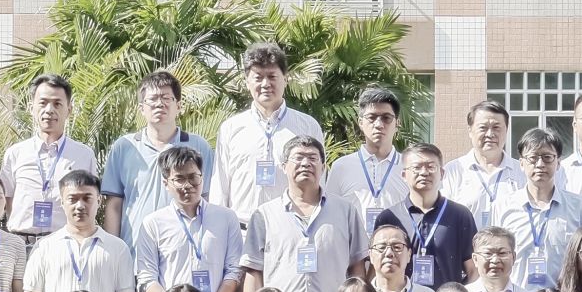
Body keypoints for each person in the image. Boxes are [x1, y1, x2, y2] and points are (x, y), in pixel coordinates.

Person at [243, 135, 367, 292]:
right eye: (298, 157)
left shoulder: (346, 212)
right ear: (284, 166)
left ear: (324, 167)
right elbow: (254, 273)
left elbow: (357, 268)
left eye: (313, 158)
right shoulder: (264, 215)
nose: (305, 163)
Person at [206, 42, 327, 226]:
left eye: (272, 76)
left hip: (290, 228)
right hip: (242, 230)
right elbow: (220, 185)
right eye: (258, 77)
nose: (265, 84)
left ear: (285, 79)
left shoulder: (307, 126)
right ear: (247, 81)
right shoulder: (231, 128)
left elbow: (320, 181)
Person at [134, 145, 244, 292]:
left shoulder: (226, 218)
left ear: (202, 177)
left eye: (193, 177)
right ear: (166, 183)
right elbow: (146, 278)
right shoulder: (153, 223)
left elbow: (233, 272)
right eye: (179, 179)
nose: (188, 185)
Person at [21, 169, 137, 292]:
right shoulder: (44, 247)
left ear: (99, 200)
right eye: (73, 199)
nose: (80, 205)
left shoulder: (117, 248)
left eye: (87, 198)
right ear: (62, 202)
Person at [101, 70, 208, 243]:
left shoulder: (199, 146)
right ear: (141, 108)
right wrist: (113, 249)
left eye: (166, 98)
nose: (160, 104)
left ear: (179, 106)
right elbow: (114, 204)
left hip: (185, 248)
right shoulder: (124, 147)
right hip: (134, 249)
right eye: (152, 99)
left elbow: (207, 199)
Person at [1, 74, 98, 240]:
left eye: (57, 104)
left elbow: (91, 201)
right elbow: (6, 199)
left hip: (65, 243)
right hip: (21, 243)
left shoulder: (84, 155)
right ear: (31, 108)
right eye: (43, 103)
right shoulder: (15, 153)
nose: (49, 110)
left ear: (69, 110)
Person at [492, 128, 582, 291]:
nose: (540, 164)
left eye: (547, 157)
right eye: (533, 158)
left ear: (558, 163)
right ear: (521, 163)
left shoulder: (578, 206)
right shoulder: (503, 206)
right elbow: (494, 256)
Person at [377, 142, 480, 288]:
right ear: (404, 175)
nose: (424, 172)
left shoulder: (460, 215)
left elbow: (473, 270)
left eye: (431, 167)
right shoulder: (389, 218)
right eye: (417, 167)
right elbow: (379, 270)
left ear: (442, 173)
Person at [327, 87, 411, 230]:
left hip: (398, 243)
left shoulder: (409, 166)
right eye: (371, 118)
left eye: (386, 118)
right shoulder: (341, 167)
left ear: (397, 123)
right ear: (360, 122)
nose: (379, 124)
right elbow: (331, 213)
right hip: (353, 244)